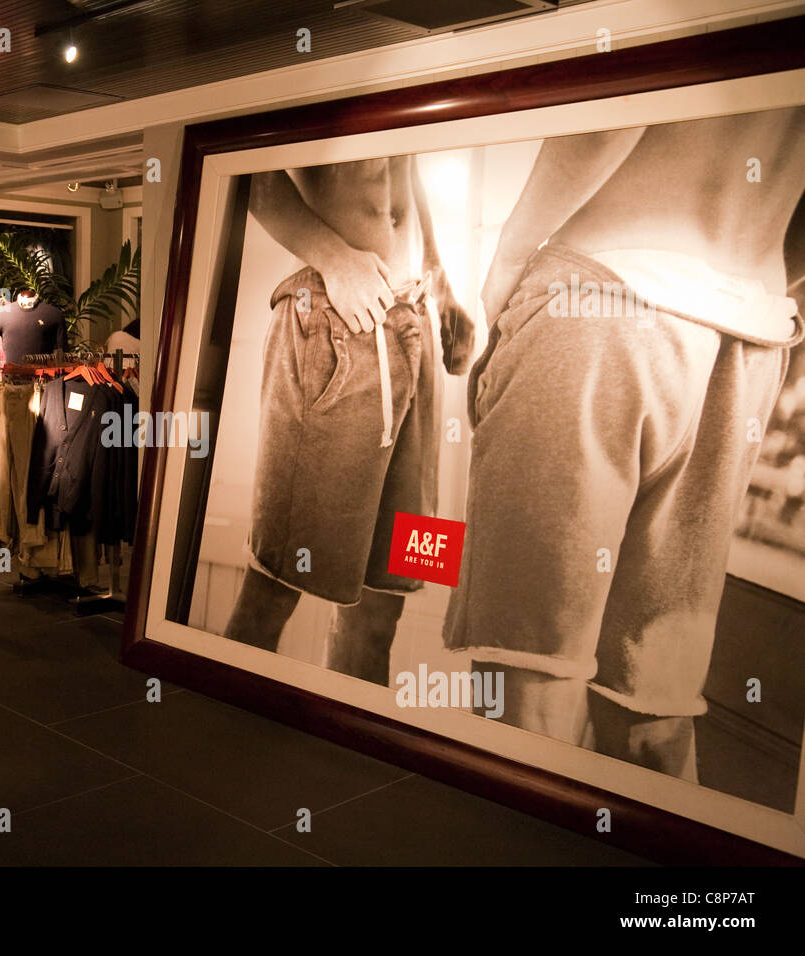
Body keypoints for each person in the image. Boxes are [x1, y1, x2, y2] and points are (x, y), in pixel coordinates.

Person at [443, 108, 805, 781]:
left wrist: (503, 273)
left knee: (527, 684)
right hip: (744, 338)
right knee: (653, 706)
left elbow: (618, 105)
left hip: (603, 300)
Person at [222, 157, 474, 685]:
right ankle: (208, 750)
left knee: (393, 589)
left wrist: (441, 276)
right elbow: (250, 170)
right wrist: (334, 259)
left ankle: (352, 756)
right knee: (275, 581)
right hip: (335, 318)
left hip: (417, 318)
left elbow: (404, 173)